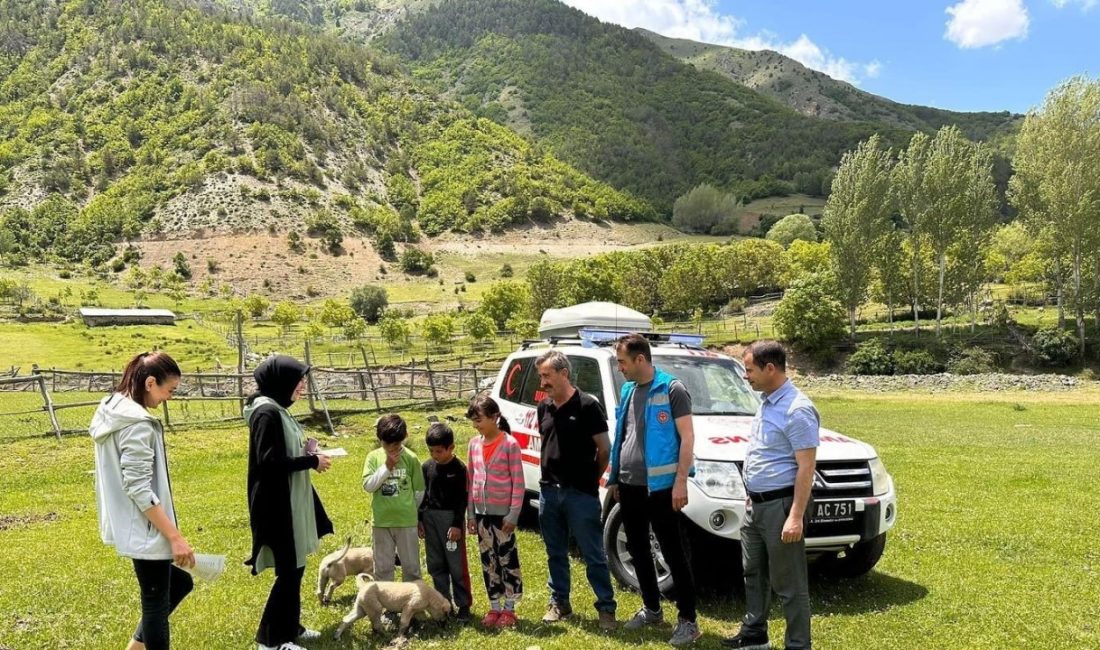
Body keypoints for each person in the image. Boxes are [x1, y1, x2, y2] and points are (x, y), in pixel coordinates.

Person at [91, 351, 193, 650]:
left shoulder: (113, 408)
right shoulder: (136, 424)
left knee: (179, 584)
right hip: (146, 526)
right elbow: (137, 487)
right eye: (169, 390)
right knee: (155, 605)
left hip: (133, 522)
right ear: (150, 383)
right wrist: (174, 537)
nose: (169, 398)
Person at [606, 333, 701, 646]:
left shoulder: (672, 388)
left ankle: (688, 620)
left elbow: (687, 438)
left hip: (661, 488)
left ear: (640, 359)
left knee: (672, 551)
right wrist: (617, 477)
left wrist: (680, 482)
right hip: (630, 485)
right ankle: (652, 608)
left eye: (622, 361)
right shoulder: (629, 389)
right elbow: (624, 434)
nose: (620, 367)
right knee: (637, 548)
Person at [724, 341, 819, 650]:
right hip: (757, 505)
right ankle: (754, 635)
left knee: (789, 585)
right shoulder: (767, 401)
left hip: (781, 507)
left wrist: (794, 516)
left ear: (770, 369)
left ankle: (798, 645)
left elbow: (806, 468)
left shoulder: (797, 409)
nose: (745, 376)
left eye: (749, 370)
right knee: (753, 572)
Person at [244, 355, 334, 650]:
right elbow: (269, 462)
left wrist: (305, 449)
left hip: (290, 499)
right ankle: (270, 640)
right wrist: (311, 460)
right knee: (289, 571)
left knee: (295, 567)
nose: (303, 386)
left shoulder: (277, 409)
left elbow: (280, 450)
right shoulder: (267, 413)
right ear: (282, 381)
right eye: (299, 380)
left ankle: (290, 626)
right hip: (277, 505)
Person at [533, 350, 617, 630]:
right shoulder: (544, 407)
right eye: (540, 375)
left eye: (547, 375)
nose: (542, 381)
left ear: (564, 373)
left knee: (593, 553)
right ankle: (560, 603)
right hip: (549, 492)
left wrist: (590, 480)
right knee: (555, 552)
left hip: (580, 493)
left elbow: (604, 450)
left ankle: (606, 608)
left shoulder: (587, 406)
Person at [465, 393, 525, 628]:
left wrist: (513, 514)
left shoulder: (509, 444)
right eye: (473, 421)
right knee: (487, 560)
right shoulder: (473, 444)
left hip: (503, 516)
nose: (476, 425)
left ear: (494, 417)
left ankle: (510, 608)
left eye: (479, 420)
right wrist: (471, 514)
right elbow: (471, 481)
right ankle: (494, 606)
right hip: (482, 514)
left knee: (507, 559)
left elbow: (518, 483)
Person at [418, 422, 473, 623]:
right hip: (430, 520)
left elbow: (462, 499)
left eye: (439, 451)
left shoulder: (459, 469)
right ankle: (443, 604)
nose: (435, 455)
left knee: (456, 565)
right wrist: (420, 519)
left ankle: (463, 604)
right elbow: (422, 496)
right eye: (431, 451)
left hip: (450, 522)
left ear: (451, 448)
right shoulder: (426, 467)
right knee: (436, 563)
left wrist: (457, 524)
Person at [363, 414, 425, 582]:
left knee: (411, 567)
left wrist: (411, 509)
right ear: (379, 439)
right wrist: (387, 467)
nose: (391, 448)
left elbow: (419, 491)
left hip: (406, 521)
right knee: (382, 567)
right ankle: (386, 604)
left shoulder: (411, 458)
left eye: (396, 444)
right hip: (382, 521)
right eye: (386, 444)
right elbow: (369, 486)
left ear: (404, 438)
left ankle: (412, 605)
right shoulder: (373, 457)